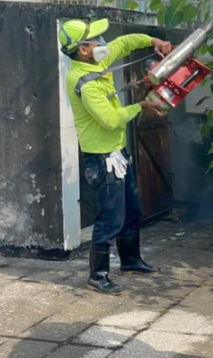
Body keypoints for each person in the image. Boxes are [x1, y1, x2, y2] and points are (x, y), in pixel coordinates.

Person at [59, 18, 172, 294]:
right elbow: (110, 119)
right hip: (101, 159)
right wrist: (140, 106)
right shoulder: (84, 82)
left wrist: (153, 41)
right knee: (110, 217)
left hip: (116, 153)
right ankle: (97, 276)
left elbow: (124, 42)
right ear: (83, 50)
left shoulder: (95, 61)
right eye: (95, 40)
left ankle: (131, 261)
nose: (101, 43)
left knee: (132, 209)